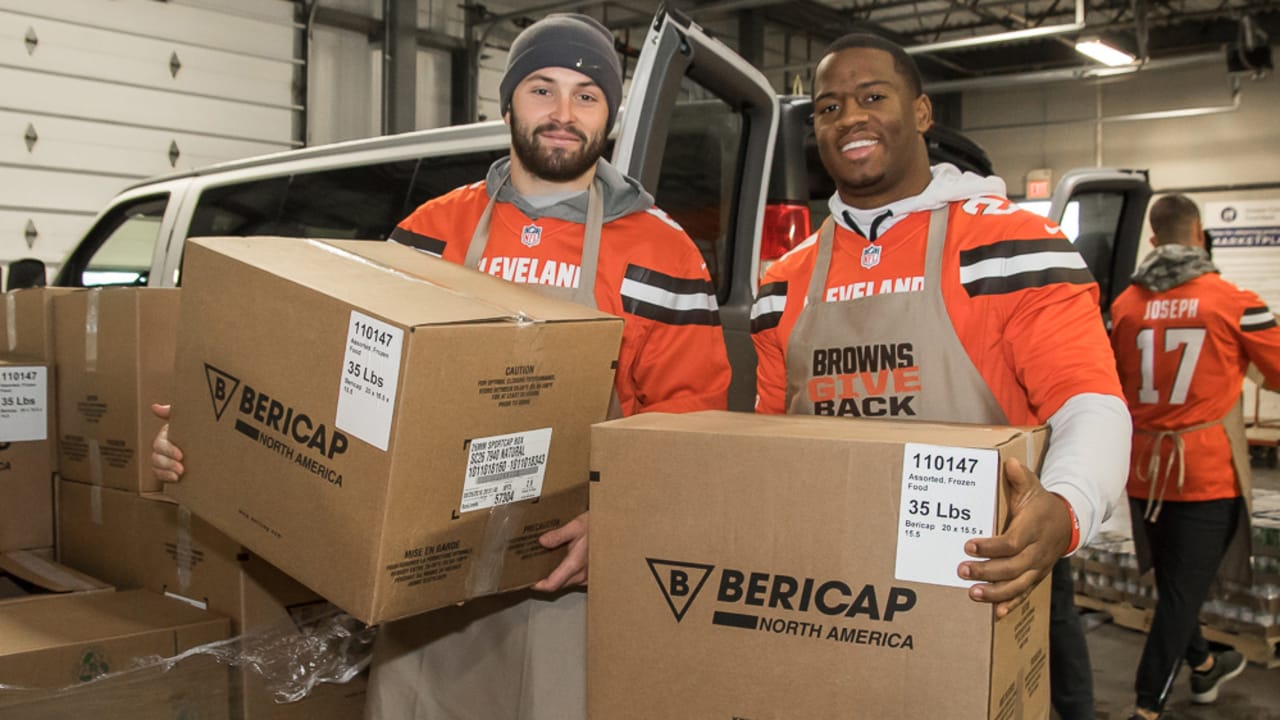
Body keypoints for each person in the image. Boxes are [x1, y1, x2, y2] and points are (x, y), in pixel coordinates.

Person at [153, 13, 730, 720]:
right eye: (541, 89)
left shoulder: (662, 254)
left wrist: (620, 515)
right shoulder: (429, 233)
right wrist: (214, 431)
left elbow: (692, 417)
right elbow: (340, 378)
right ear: (509, 101)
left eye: (586, 95)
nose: (561, 113)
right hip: (424, 575)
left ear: (609, 115)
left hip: (567, 581)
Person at [749, 33, 1132, 720]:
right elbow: (768, 444)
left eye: (874, 97)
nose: (851, 118)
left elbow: (1091, 403)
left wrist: (1066, 506)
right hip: (831, 585)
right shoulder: (784, 282)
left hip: (986, 572)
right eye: (831, 106)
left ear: (923, 113)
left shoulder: (1010, 248)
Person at [1109, 194, 1279, 720]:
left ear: (1153, 241)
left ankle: (1204, 667)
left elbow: (1109, 382)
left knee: (1174, 586)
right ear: (1200, 234)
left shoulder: (1123, 307)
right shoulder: (1234, 301)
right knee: (1183, 595)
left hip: (1143, 472)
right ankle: (1146, 705)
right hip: (1206, 473)